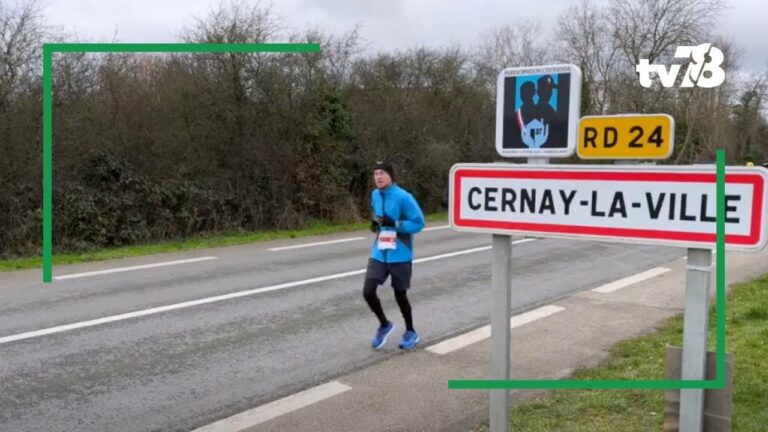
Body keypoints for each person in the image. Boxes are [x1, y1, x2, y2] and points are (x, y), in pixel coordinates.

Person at [364, 161, 425, 350]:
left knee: (400, 294)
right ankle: (384, 324)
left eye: (382, 173)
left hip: (400, 253)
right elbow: (377, 216)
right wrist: (375, 224)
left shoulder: (404, 197)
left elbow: (419, 223)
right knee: (368, 291)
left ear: (391, 175)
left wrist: (396, 224)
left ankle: (410, 332)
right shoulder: (375, 195)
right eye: (376, 174)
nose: (378, 177)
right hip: (379, 252)